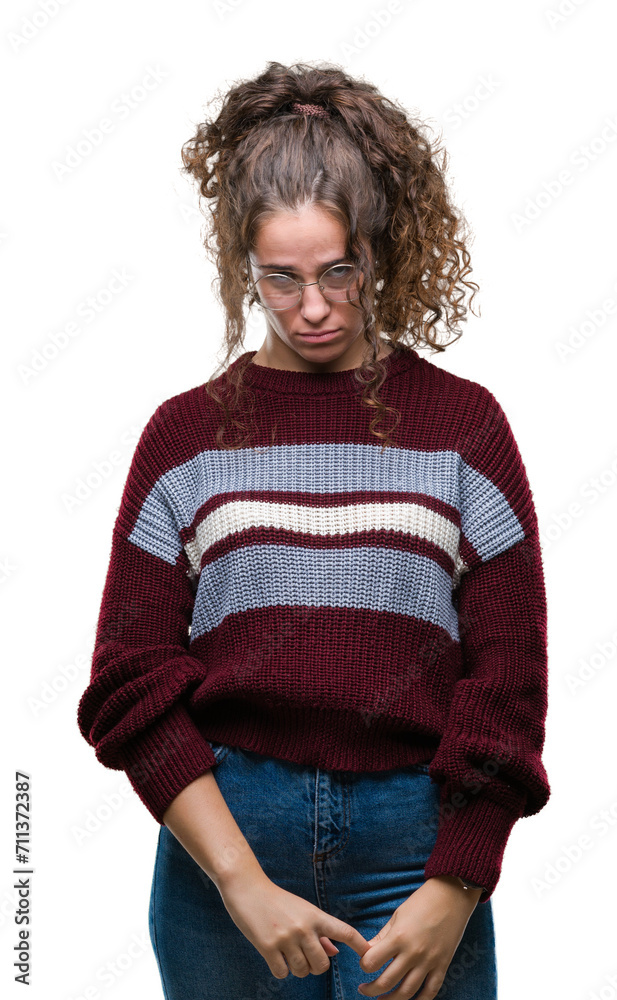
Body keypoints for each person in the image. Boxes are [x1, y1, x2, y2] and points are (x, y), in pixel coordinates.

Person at [77, 60, 551, 1000]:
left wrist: (457, 883)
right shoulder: (183, 437)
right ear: (241, 268)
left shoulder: (466, 428)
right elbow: (127, 680)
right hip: (226, 847)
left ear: (381, 247)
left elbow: (508, 680)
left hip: (417, 847)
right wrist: (241, 884)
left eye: (341, 270)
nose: (318, 307)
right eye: (281, 279)